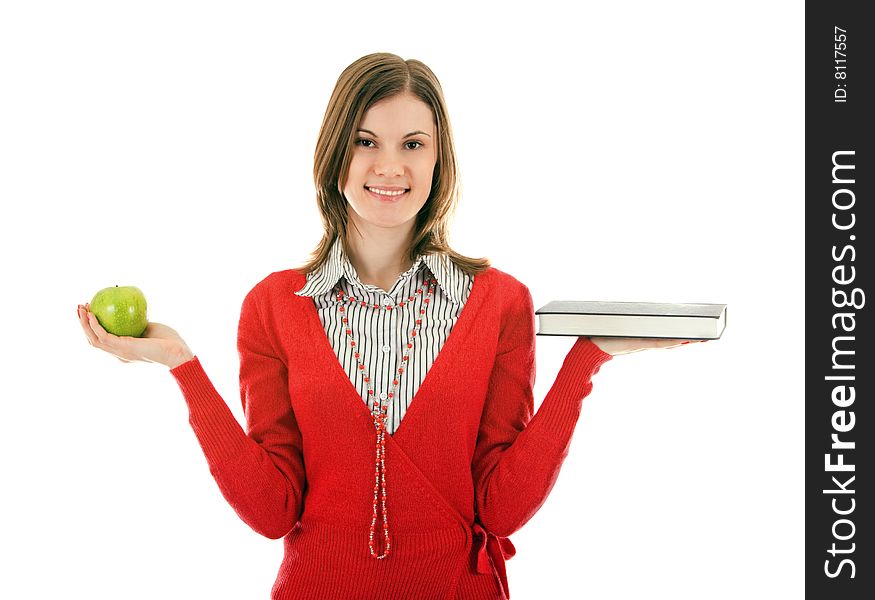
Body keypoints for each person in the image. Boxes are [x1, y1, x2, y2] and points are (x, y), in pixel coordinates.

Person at [77, 52, 703, 600]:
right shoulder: (273, 305)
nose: (389, 166)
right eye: (366, 140)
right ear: (335, 152)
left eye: (412, 144)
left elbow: (503, 508)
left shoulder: (498, 302)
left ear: (438, 160)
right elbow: (272, 511)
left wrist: (585, 359)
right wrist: (182, 366)